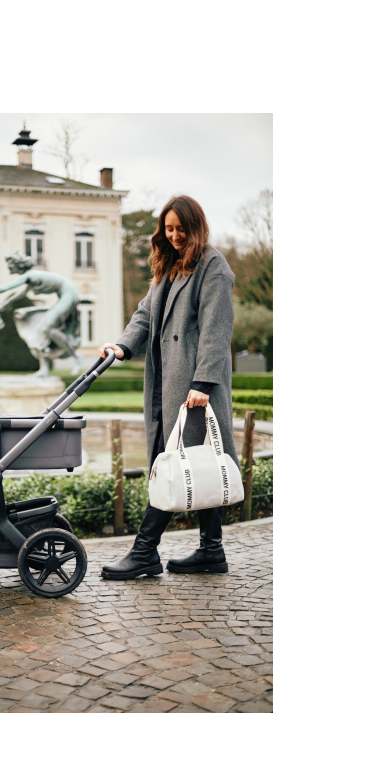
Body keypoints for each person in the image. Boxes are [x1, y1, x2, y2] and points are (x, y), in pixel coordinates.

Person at [98, 196, 238, 578]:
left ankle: (144, 550)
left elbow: (216, 329)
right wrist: (122, 346)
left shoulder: (213, 266)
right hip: (167, 381)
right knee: (199, 461)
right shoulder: (169, 267)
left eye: (181, 229)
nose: (174, 235)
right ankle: (211, 550)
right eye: (169, 229)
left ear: (196, 228)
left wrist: (203, 383)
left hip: (195, 387)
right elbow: (144, 315)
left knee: (174, 461)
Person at [0, 253, 84, 376]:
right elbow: (21, 294)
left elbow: (5, 287)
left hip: (69, 296)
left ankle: (76, 357)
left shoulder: (30, 275)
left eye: (10, 264)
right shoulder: (31, 278)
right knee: (40, 331)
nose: (8, 267)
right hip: (65, 296)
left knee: (48, 327)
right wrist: (5, 303)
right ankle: (45, 369)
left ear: (19, 265)